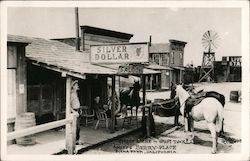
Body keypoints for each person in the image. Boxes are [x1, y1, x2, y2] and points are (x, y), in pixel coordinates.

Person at [70, 80, 81, 145]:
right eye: (76, 85)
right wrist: (74, 112)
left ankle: (77, 140)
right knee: (76, 127)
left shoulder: (76, 93)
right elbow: (69, 105)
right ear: (73, 86)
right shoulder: (72, 94)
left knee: (78, 127)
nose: (78, 86)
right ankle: (74, 141)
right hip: (75, 111)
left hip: (78, 110)